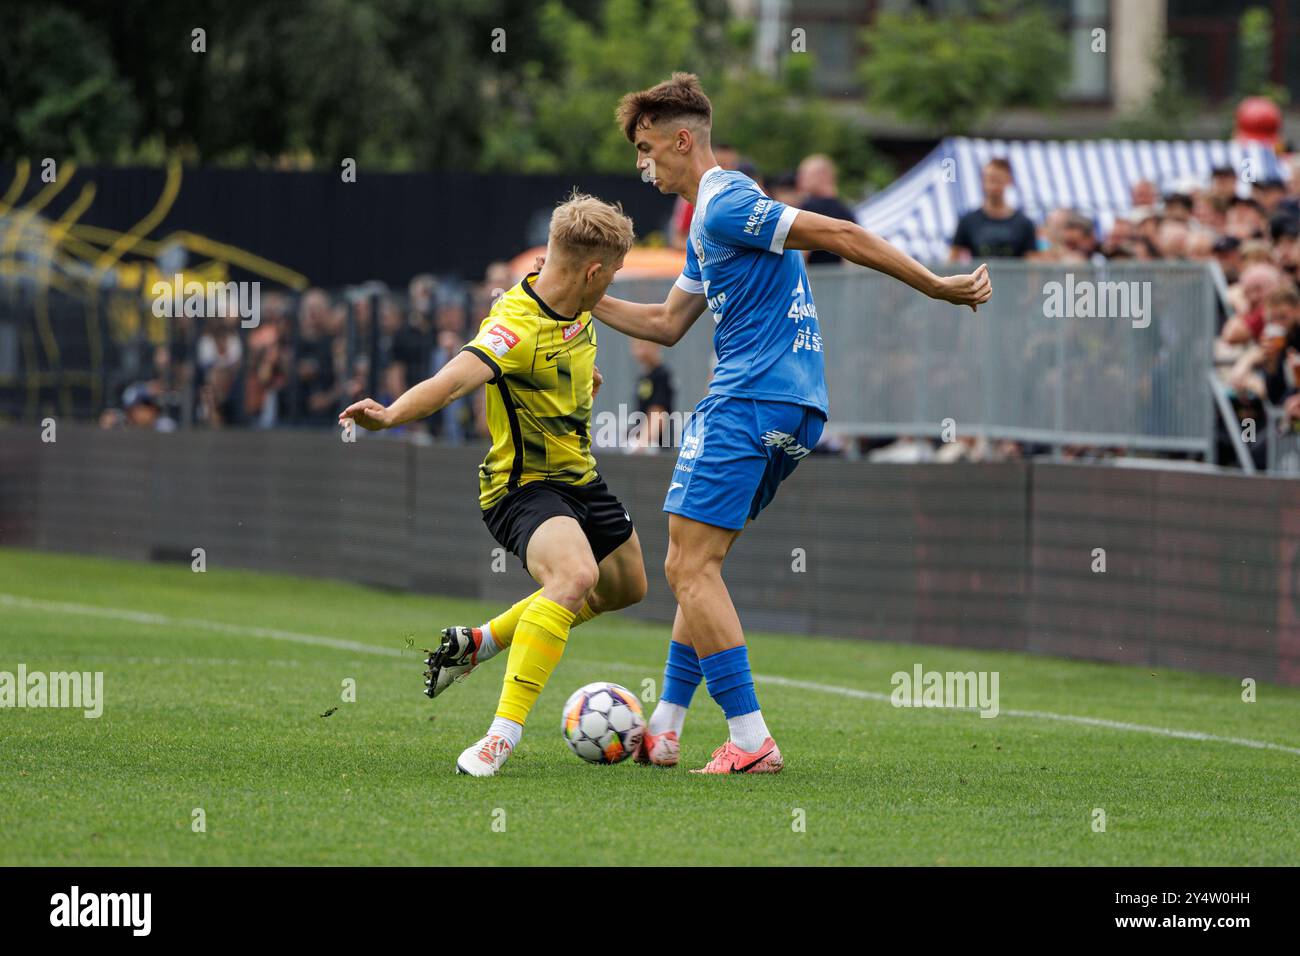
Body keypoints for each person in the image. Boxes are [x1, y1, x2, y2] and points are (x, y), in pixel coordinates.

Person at [595, 73, 989, 774]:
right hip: (795, 408)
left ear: (682, 140)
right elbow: (665, 323)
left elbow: (835, 231)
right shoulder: (707, 224)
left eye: (647, 147)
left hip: (749, 399)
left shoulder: (728, 202)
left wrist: (935, 285)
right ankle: (664, 728)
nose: (641, 164)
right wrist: (578, 297)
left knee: (687, 564)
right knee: (699, 566)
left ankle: (750, 740)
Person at [339, 192, 649, 777]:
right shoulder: (515, 325)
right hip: (521, 487)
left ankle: (480, 642)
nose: (613, 284)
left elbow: (571, 358)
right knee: (575, 577)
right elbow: (453, 381)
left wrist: (583, 380)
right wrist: (388, 415)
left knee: (627, 588)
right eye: (612, 273)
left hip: (580, 476)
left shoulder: (574, 301)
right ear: (591, 271)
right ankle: (499, 738)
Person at [949, 158, 1037, 260]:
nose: (993, 185)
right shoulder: (968, 221)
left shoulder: (1024, 223)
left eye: (997, 180)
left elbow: (1032, 267)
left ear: (1008, 180)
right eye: (989, 179)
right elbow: (952, 261)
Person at [795, 153, 859, 266]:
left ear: (823, 176)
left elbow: (799, 254)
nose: (800, 180)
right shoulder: (846, 211)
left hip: (812, 280)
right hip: (839, 281)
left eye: (805, 175)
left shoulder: (809, 208)